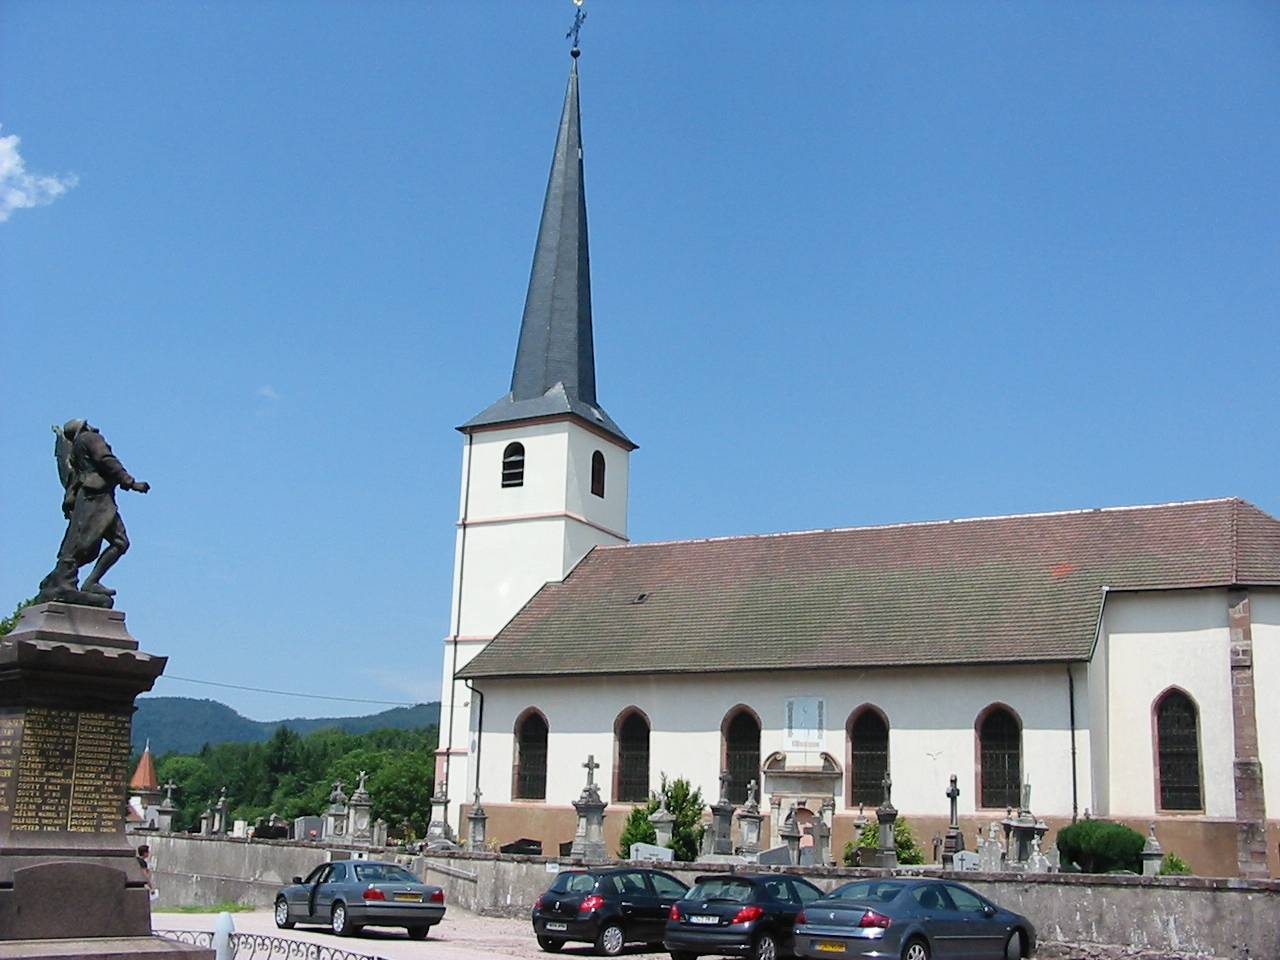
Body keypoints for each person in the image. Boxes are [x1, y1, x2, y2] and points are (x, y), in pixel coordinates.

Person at [38, 420, 150, 602]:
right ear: (83, 427)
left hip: (93, 496)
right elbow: (105, 460)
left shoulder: (76, 448)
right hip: (96, 498)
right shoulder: (90, 438)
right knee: (96, 542)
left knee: (110, 541)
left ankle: (84, 581)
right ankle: (70, 580)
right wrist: (130, 482)